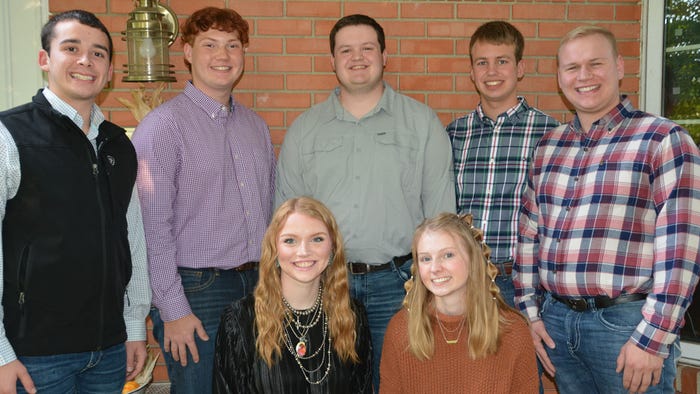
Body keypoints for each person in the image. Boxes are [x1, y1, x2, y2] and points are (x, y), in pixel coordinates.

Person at [514, 25, 700, 394]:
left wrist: (653, 338)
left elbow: (682, 251)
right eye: (571, 68)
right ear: (559, 77)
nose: (583, 76)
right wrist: (530, 314)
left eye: (595, 64)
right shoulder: (548, 147)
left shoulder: (663, 140)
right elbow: (529, 234)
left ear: (619, 67)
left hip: (626, 326)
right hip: (556, 324)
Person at [275, 14, 455, 389]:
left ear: (385, 55)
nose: (357, 58)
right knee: (325, 383)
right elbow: (285, 222)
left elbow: (442, 220)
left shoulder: (421, 124)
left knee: (401, 382)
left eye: (367, 48)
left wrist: (439, 288)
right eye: (346, 50)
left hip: (401, 284)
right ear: (332, 61)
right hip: (324, 285)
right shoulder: (305, 131)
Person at [0, 9, 150, 393]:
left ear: (111, 70)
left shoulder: (119, 144)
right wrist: (1, 352)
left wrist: (134, 326)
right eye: (71, 48)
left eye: (99, 53)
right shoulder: (9, 135)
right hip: (33, 355)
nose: (86, 60)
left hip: (109, 350)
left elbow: (131, 238)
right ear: (44, 59)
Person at [132, 7, 275, 393]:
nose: (223, 55)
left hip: (257, 286)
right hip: (197, 291)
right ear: (188, 53)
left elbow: (270, 209)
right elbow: (151, 230)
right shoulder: (162, 128)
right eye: (209, 44)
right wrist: (174, 310)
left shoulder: (255, 127)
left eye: (232, 45)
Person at [446, 21, 559, 307]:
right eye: (482, 62)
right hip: (465, 280)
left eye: (502, 61)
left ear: (519, 68)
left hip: (523, 283)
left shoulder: (551, 133)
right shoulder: (453, 134)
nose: (492, 71)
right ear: (471, 72)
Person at [213, 197, 372, 393]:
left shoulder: (353, 315)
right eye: (290, 240)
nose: (304, 251)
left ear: (332, 247)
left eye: (317, 239)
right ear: (275, 249)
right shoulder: (240, 320)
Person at [380, 213, 538, 393]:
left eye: (447, 255)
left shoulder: (513, 331)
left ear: (473, 259)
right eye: (425, 258)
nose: (435, 268)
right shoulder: (400, 329)